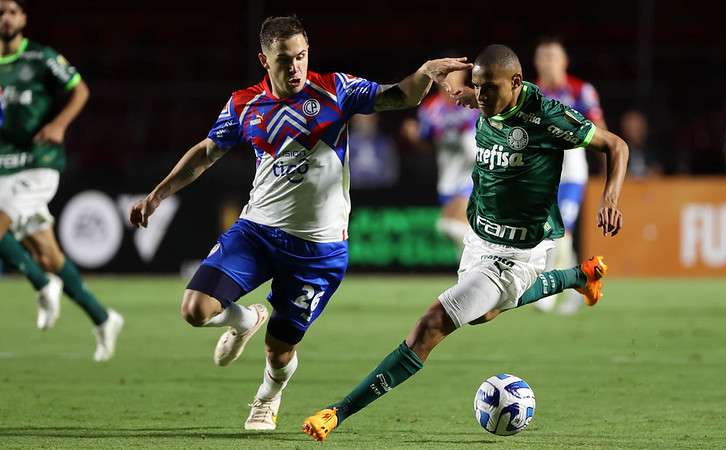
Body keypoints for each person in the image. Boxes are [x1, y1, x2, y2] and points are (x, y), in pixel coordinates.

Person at [128, 15, 471, 431]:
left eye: (302, 57)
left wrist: (425, 74)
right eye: (285, 60)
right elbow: (205, 152)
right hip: (256, 232)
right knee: (194, 310)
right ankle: (244, 319)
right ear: (264, 59)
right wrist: (158, 194)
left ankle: (267, 397)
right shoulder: (244, 104)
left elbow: (398, 97)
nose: (295, 68)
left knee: (279, 350)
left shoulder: (335, 91)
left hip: (318, 250)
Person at [302, 44, 628, 441]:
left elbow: (616, 146)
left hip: (518, 252)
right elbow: (457, 94)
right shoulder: (484, 99)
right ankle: (580, 274)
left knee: (430, 326)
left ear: (516, 83)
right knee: (483, 314)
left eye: (489, 89)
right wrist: (436, 74)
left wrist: (610, 197)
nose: (482, 98)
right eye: (478, 88)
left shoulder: (546, 115)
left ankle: (338, 411)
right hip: (479, 237)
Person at [0, 0, 123, 361]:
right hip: (4, 164)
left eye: (12, 11)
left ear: (23, 19)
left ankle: (41, 285)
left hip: (39, 163)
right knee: (48, 255)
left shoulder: (40, 58)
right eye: (0, 12)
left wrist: (58, 125)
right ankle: (103, 318)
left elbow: (80, 89)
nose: (6, 18)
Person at [532, 37, 608, 315]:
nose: (549, 62)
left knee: (560, 232)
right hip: (540, 175)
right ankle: (582, 283)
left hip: (572, 173)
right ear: (536, 62)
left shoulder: (581, 91)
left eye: (554, 56)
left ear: (564, 61)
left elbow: (600, 129)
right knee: (546, 234)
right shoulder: (531, 94)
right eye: (544, 57)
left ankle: (547, 292)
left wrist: (607, 166)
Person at [402, 69, 479, 250]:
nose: (449, 79)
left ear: (462, 77)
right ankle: (472, 267)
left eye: (453, 73)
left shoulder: (473, 100)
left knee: (460, 222)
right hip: (448, 174)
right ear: (437, 79)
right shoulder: (430, 108)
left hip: (474, 170)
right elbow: (425, 142)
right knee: (449, 227)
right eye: (445, 74)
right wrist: (415, 134)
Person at [620, 109, 661, 178]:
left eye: (637, 129)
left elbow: (659, 171)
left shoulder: (654, 149)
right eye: (630, 128)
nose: (633, 133)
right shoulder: (618, 151)